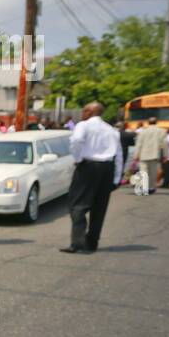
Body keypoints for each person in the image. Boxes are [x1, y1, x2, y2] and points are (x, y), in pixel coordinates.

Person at [61, 101, 123, 254]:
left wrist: (78, 158)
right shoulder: (112, 130)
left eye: (84, 110)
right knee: (99, 207)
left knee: (76, 205)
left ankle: (77, 241)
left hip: (88, 166)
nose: (82, 113)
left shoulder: (84, 125)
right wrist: (116, 178)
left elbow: (76, 141)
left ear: (89, 112)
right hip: (107, 168)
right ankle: (92, 242)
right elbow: (119, 155)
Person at [132, 116, 166, 195]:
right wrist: (165, 155)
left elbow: (139, 144)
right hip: (155, 154)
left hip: (143, 154)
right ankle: (151, 188)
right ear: (156, 122)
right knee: (153, 172)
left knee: (143, 171)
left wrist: (136, 155)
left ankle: (143, 188)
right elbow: (165, 144)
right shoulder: (162, 131)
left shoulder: (143, 132)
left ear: (148, 122)